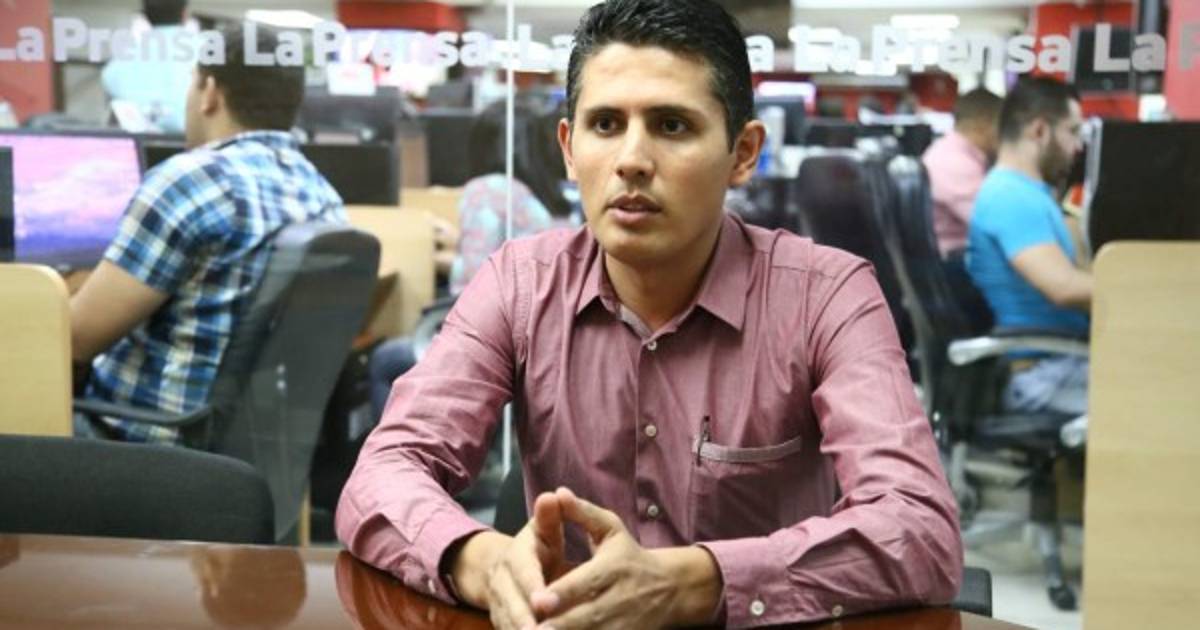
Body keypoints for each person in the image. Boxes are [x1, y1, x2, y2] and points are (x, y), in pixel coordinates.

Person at [337, 1, 962, 628]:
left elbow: (919, 529)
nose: (632, 159)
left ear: (743, 153)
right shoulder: (518, 285)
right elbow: (383, 474)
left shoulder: (826, 296)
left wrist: (694, 583)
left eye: (671, 125)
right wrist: (481, 560)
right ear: (569, 148)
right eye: (606, 124)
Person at [71, 23, 346, 444]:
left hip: (140, 442)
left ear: (210, 92)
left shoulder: (193, 182)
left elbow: (75, 339)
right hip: (250, 450)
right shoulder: (323, 196)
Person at [367, 97, 574, 421]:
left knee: (385, 361)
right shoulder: (551, 195)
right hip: (547, 344)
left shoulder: (485, 190)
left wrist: (444, 258)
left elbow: (476, 284)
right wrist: (457, 244)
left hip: (498, 343)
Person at [967, 77, 1091, 416]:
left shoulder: (1030, 194)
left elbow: (1075, 266)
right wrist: (1147, 292)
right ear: (1039, 131)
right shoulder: (1011, 196)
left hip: (1061, 362)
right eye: (1072, 131)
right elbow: (1063, 287)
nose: (1078, 146)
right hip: (1043, 373)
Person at [922, 88, 1003, 258]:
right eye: (1002, 127)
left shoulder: (952, 152)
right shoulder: (954, 163)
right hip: (954, 261)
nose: (1004, 137)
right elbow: (994, 225)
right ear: (983, 124)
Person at [102, 0, 194, 133]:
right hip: (198, 142)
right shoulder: (209, 52)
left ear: (145, 16)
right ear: (185, 14)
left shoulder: (116, 65)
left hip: (140, 143)